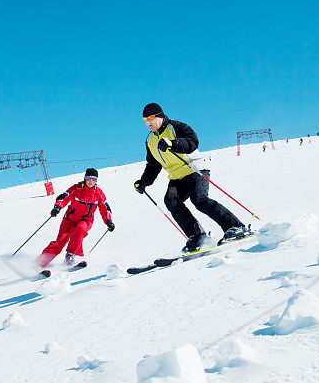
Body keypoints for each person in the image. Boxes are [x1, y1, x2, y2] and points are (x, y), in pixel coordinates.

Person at [133, 103, 247, 252]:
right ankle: (198, 236)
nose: (148, 122)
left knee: (199, 200)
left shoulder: (175, 127)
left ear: (160, 116)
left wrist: (174, 144)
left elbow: (193, 141)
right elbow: (153, 164)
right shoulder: (150, 140)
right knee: (171, 201)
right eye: (145, 120)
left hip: (195, 168)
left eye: (151, 118)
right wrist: (144, 182)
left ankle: (235, 227)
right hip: (176, 176)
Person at [37, 168, 114, 268]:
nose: (91, 181)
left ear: (96, 181)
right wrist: (57, 207)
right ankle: (39, 262)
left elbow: (105, 208)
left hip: (86, 220)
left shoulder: (98, 193)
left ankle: (70, 256)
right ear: (85, 178)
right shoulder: (77, 188)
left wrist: (108, 221)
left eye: (94, 179)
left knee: (80, 228)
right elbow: (64, 197)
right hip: (70, 219)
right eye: (89, 178)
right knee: (60, 242)